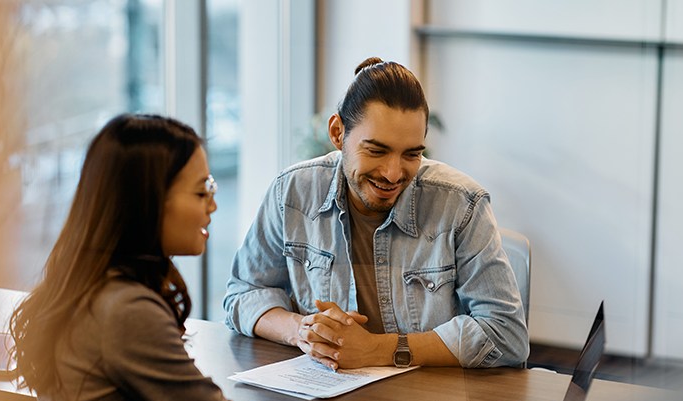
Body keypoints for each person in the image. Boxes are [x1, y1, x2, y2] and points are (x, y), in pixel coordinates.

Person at [8, 114, 435, 401]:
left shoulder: (96, 287)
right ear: (148, 202)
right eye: (201, 190)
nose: (214, 202)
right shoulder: (125, 309)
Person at [224, 57, 529, 371]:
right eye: (376, 150)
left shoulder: (462, 204)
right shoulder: (292, 193)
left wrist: (380, 350)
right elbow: (243, 293)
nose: (393, 174)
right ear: (337, 132)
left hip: (426, 400)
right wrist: (301, 332)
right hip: (328, 399)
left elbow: (506, 334)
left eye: (412, 154)